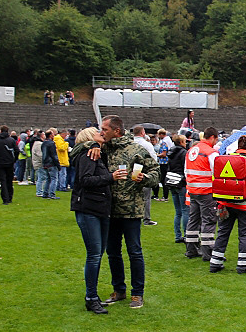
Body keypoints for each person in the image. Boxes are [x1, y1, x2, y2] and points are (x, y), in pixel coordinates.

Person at [94, 116, 159, 309]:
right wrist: (93, 143)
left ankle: (137, 293)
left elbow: (156, 173)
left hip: (131, 210)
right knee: (112, 252)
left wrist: (144, 177)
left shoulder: (136, 150)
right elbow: (76, 155)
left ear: (117, 131)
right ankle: (119, 290)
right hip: (108, 209)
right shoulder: (102, 148)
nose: (102, 132)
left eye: (105, 129)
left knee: (134, 252)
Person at [70, 127, 114, 314]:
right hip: (89, 209)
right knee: (94, 255)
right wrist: (110, 177)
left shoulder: (96, 151)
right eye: (97, 132)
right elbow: (85, 179)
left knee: (98, 253)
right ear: (89, 137)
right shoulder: (88, 155)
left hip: (99, 208)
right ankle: (91, 297)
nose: (101, 133)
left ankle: (92, 296)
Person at [210, 136, 246, 273]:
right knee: (244, 235)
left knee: (222, 233)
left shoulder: (227, 158)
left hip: (225, 203)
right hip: (245, 204)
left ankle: (215, 263)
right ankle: (243, 266)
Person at [184, 127, 220, 262]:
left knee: (193, 220)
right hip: (206, 191)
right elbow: (217, 173)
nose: (216, 143)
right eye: (216, 140)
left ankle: (191, 249)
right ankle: (208, 253)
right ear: (212, 137)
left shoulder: (191, 150)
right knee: (208, 221)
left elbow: (186, 171)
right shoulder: (211, 153)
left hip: (192, 190)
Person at [131, 125, 158, 226]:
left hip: (131, 171)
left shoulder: (130, 143)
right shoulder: (146, 144)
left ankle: (132, 216)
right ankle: (146, 218)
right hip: (144, 171)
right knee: (146, 197)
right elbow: (153, 159)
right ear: (143, 133)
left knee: (132, 195)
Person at [167, 134, 188, 243]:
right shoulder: (183, 153)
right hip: (180, 182)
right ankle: (185, 234)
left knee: (178, 211)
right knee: (185, 210)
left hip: (171, 181)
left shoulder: (171, 152)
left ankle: (177, 235)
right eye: (184, 141)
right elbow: (185, 168)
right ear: (181, 142)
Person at [0, 126, 17, 204]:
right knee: (9, 181)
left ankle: (5, 199)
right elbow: (16, 150)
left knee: (3, 181)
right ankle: (10, 197)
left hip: (0, 163)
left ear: (0, 131)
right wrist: (14, 160)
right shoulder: (11, 140)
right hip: (9, 162)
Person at [41, 129, 60, 200]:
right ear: (50, 135)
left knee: (48, 179)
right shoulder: (51, 144)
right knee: (54, 179)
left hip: (45, 163)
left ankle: (45, 193)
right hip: (51, 163)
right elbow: (54, 155)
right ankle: (52, 194)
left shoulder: (44, 143)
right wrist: (58, 164)